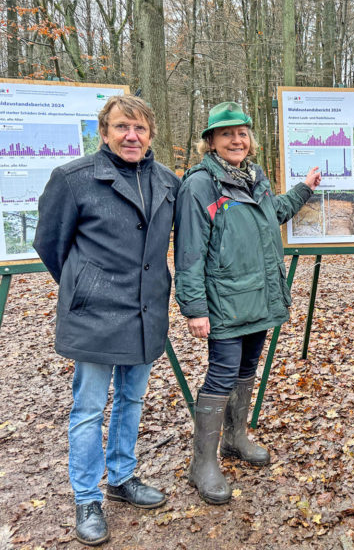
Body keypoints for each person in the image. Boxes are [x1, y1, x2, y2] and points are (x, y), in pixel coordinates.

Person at [33, 95, 179, 545]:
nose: (131, 136)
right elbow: (51, 244)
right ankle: (86, 497)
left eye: (139, 129)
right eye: (121, 128)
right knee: (89, 408)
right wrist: (87, 284)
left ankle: (121, 477)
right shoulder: (74, 179)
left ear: (150, 134)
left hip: (145, 312)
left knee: (131, 401)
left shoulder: (167, 181)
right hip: (94, 316)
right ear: (105, 132)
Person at [174, 101, 321, 504]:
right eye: (226, 134)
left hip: (259, 296)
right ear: (211, 141)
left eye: (241, 133)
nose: (236, 140)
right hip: (225, 301)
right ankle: (201, 462)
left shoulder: (255, 177)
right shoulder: (200, 185)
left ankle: (235, 437)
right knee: (221, 374)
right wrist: (195, 308)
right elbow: (189, 251)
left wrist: (304, 189)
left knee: (246, 368)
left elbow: (271, 213)